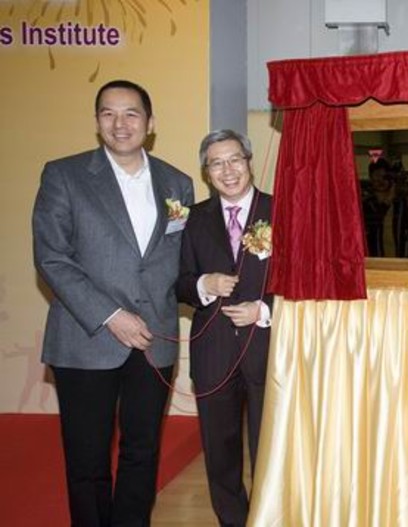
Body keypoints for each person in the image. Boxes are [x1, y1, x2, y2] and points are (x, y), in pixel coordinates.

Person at [32, 79, 194, 525]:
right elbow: (51, 257)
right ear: (97, 121)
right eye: (108, 113)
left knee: (143, 452)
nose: (120, 123)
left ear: (151, 122)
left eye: (131, 113)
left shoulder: (177, 183)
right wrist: (111, 315)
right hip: (86, 338)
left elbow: (179, 259)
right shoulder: (64, 175)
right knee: (87, 460)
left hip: (154, 339)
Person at [176, 130, 273, 527]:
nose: (227, 170)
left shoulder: (282, 209)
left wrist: (264, 309)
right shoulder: (193, 218)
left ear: (249, 160)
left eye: (235, 159)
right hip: (213, 353)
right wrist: (204, 285)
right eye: (216, 163)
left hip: (267, 350)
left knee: (270, 449)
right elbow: (179, 282)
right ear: (206, 171)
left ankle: (271, 517)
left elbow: (303, 283)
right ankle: (233, 521)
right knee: (220, 452)